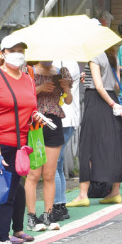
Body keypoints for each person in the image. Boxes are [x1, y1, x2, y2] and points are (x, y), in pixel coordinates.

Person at [0, 33, 45, 244]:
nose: (18, 54)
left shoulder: (28, 78)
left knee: (9, 193)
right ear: (2, 53)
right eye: (13, 50)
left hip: (21, 144)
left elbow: (31, 108)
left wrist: (36, 117)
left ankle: (2, 237)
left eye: (21, 50)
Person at [67, 45, 122, 207]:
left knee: (88, 146)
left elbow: (98, 86)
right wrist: (114, 104)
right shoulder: (112, 56)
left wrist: (111, 105)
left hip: (97, 101)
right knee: (114, 144)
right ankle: (115, 192)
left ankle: (83, 194)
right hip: (112, 99)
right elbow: (116, 86)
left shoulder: (94, 56)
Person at [23, 60, 72, 233]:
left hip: (55, 122)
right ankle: (31, 216)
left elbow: (68, 101)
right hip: (35, 123)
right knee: (33, 174)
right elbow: (23, 97)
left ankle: (48, 215)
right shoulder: (28, 71)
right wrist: (40, 88)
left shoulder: (61, 71)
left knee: (50, 174)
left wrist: (66, 88)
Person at [51, 59, 81, 222]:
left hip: (61, 118)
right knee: (58, 163)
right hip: (67, 119)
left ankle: (57, 205)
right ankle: (61, 204)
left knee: (53, 164)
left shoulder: (62, 64)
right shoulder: (72, 62)